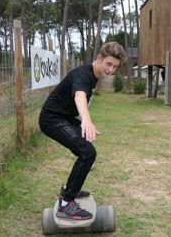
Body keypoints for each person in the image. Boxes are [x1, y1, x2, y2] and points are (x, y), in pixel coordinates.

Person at [39, 42, 127, 220]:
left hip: (64, 118)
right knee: (87, 153)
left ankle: (70, 190)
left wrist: (81, 123)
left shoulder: (93, 75)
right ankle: (66, 204)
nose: (111, 70)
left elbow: (80, 98)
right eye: (108, 64)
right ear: (99, 58)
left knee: (86, 152)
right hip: (52, 120)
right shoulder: (84, 74)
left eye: (115, 67)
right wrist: (86, 120)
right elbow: (80, 95)